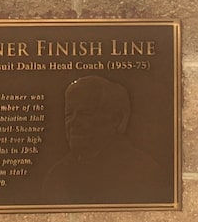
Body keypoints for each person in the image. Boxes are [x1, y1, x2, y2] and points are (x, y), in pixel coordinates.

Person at [42, 76, 171, 205]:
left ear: (115, 119)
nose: (73, 122)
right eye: (69, 114)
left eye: (85, 113)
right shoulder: (56, 176)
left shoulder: (143, 172)